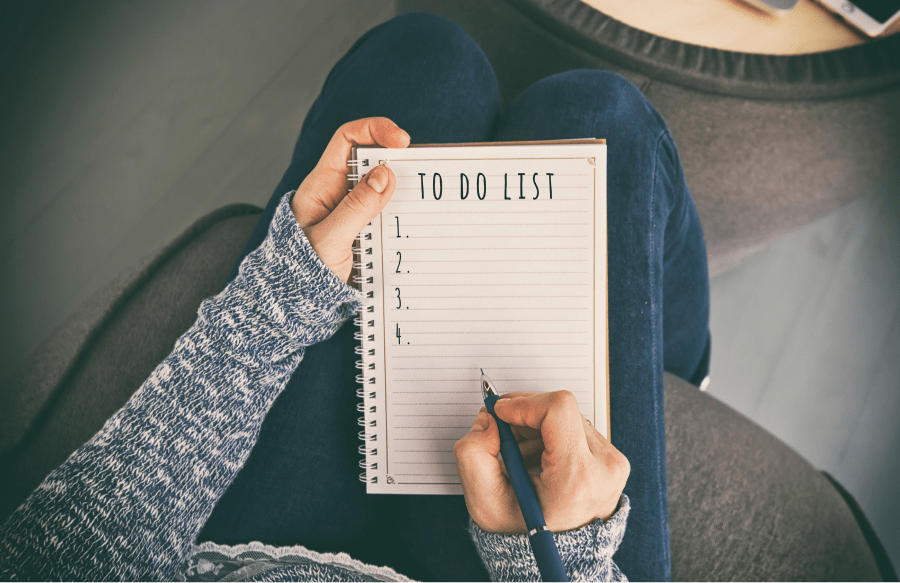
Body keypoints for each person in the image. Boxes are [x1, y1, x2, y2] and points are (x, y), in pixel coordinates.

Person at [0, 12, 709, 583]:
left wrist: (270, 309)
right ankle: (673, 373)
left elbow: (71, 553)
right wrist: (560, 563)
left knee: (423, 56)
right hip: (536, 557)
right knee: (606, 114)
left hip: (240, 551)